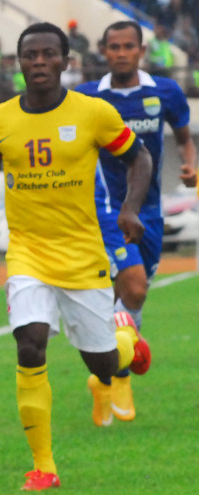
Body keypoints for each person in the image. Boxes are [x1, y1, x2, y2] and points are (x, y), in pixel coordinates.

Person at [0, 23, 152, 492]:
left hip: (83, 256)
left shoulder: (93, 113)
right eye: (30, 55)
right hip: (27, 254)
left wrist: (130, 208)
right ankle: (43, 467)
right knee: (29, 343)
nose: (39, 62)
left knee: (103, 365)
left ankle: (127, 340)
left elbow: (138, 158)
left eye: (48, 54)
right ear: (19, 62)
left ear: (65, 60)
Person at [76, 20, 195, 422]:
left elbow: (184, 137)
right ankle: (121, 375)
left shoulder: (165, 91)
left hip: (151, 211)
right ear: (103, 51)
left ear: (142, 51)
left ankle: (104, 379)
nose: (122, 53)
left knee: (126, 299)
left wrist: (191, 164)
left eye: (129, 46)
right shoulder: (88, 97)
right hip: (107, 208)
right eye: (114, 47)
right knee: (135, 286)